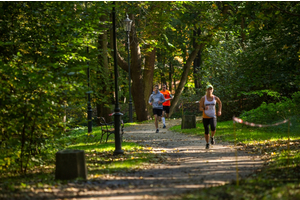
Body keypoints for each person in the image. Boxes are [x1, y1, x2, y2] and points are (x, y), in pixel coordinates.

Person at [199, 85, 222, 149]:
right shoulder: (203, 98)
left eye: (211, 89)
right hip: (205, 116)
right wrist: (204, 108)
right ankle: (207, 143)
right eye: (208, 89)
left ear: (212, 90)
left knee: (213, 127)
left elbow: (220, 103)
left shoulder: (215, 98)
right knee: (206, 130)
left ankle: (212, 137)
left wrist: (219, 111)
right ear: (206, 90)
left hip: (213, 116)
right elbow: (200, 107)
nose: (209, 91)